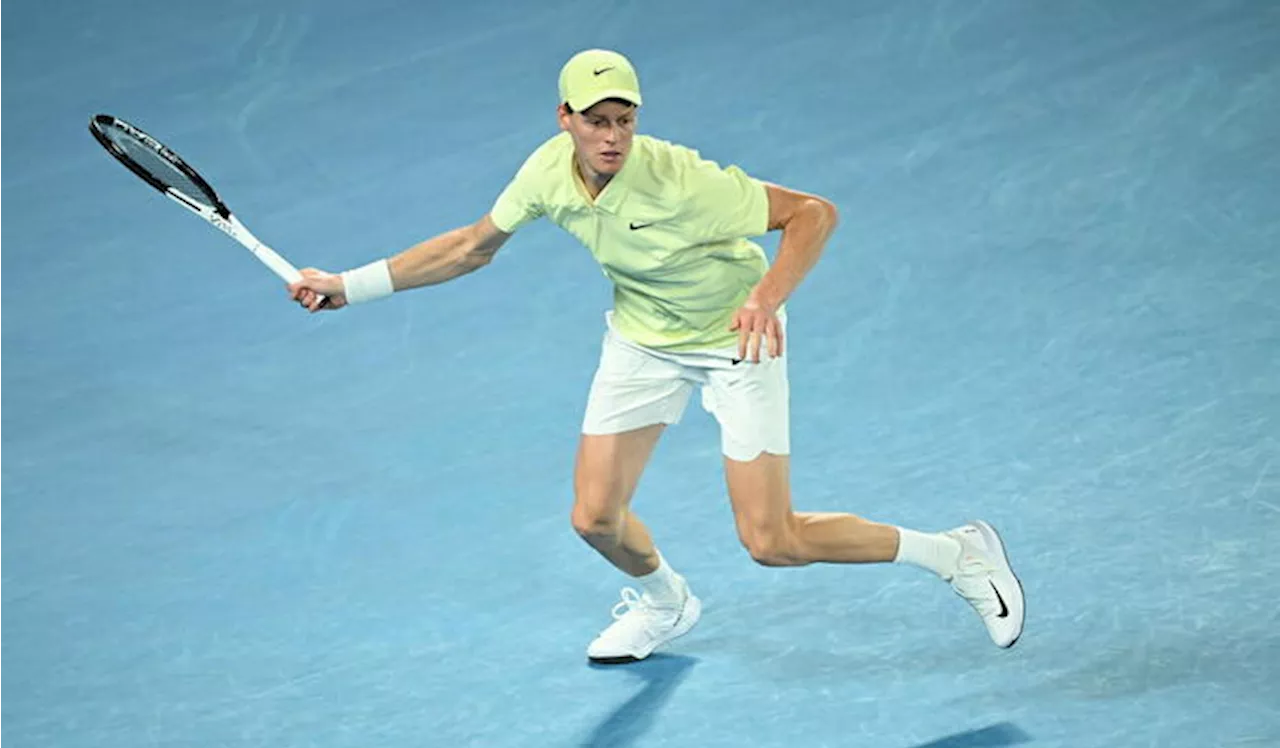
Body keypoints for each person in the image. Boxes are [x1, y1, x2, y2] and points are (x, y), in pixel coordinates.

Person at [287, 48, 1025, 664]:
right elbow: (473, 247)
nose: (611, 137)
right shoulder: (548, 171)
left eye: (624, 121)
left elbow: (812, 213)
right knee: (595, 517)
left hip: (737, 340)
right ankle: (667, 603)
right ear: (565, 120)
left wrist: (766, 295)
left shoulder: (682, 182)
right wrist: (351, 286)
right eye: (596, 121)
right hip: (642, 340)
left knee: (772, 541)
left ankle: (954, 553)